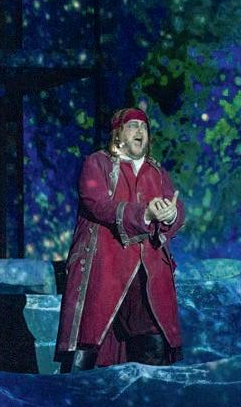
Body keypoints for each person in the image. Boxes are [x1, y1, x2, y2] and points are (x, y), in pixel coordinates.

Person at [55, 107, 185, 371]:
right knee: (89, 336)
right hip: (105, 266)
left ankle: (147, 393)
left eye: (144, 127)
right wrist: (143, 213)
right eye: (133, 126)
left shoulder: (156, 171)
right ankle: (79, 391)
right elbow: (97, 203)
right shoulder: (97, 163)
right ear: (118, 134)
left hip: (147, 271)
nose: (140, 131)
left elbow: (176, 208)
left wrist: (170, 215)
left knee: (152, 335)